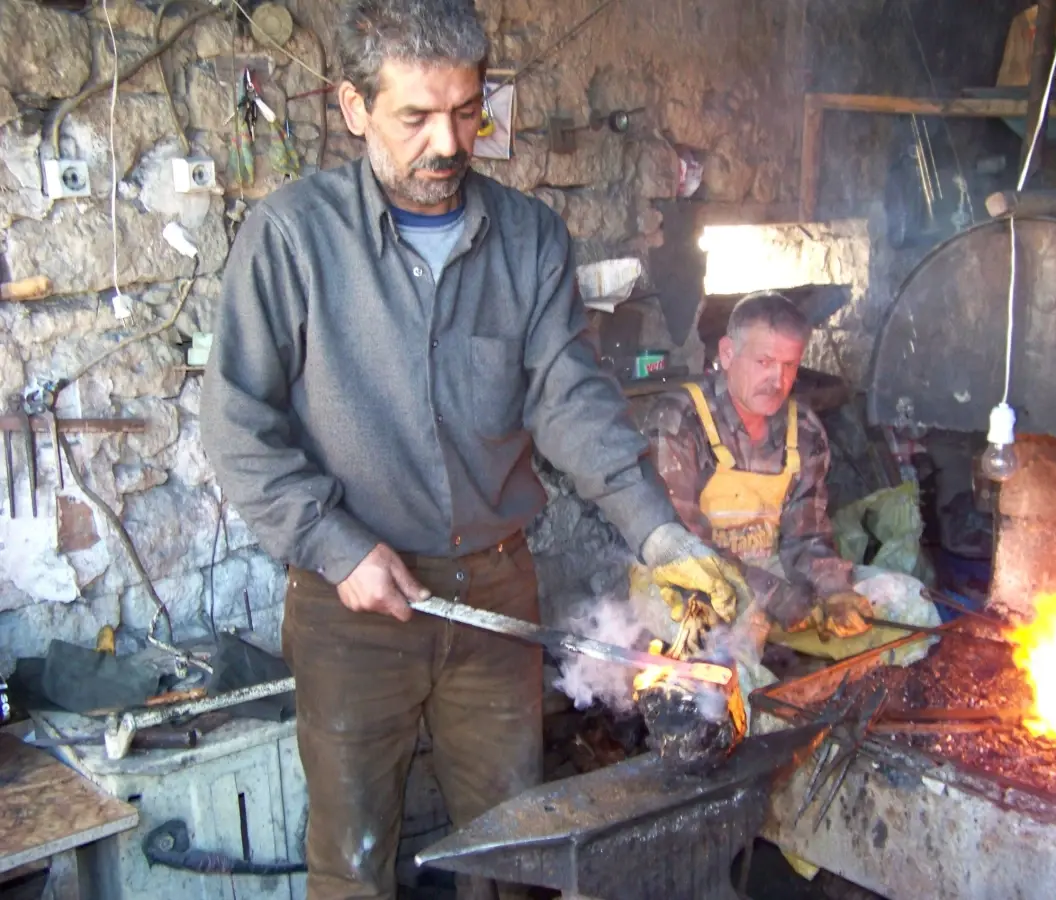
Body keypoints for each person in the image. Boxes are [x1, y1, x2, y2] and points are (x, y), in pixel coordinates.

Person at [198, 1, 748, 898]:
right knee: (355, 852)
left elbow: (569, 399)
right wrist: (338, 549)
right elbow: (236, 426)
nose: (447, 142)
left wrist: (659, 536)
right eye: (415, 117)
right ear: (352, 108)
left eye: (466, 110)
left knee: (511, 845)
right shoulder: (291, 238)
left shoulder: (529, 238)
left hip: (492, 586)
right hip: (351, 605)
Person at [642, 291, 874, 645]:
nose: (777, 380)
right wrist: (772, 595)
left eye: (789, 365)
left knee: (900, 600)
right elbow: (680, 542)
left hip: (768, 569)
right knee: (724, 653)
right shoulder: (681, 421)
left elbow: (806, 537)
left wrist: (833, 590)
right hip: (688, 577)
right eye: (764, 362)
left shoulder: (805, 430)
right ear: (727, 354)